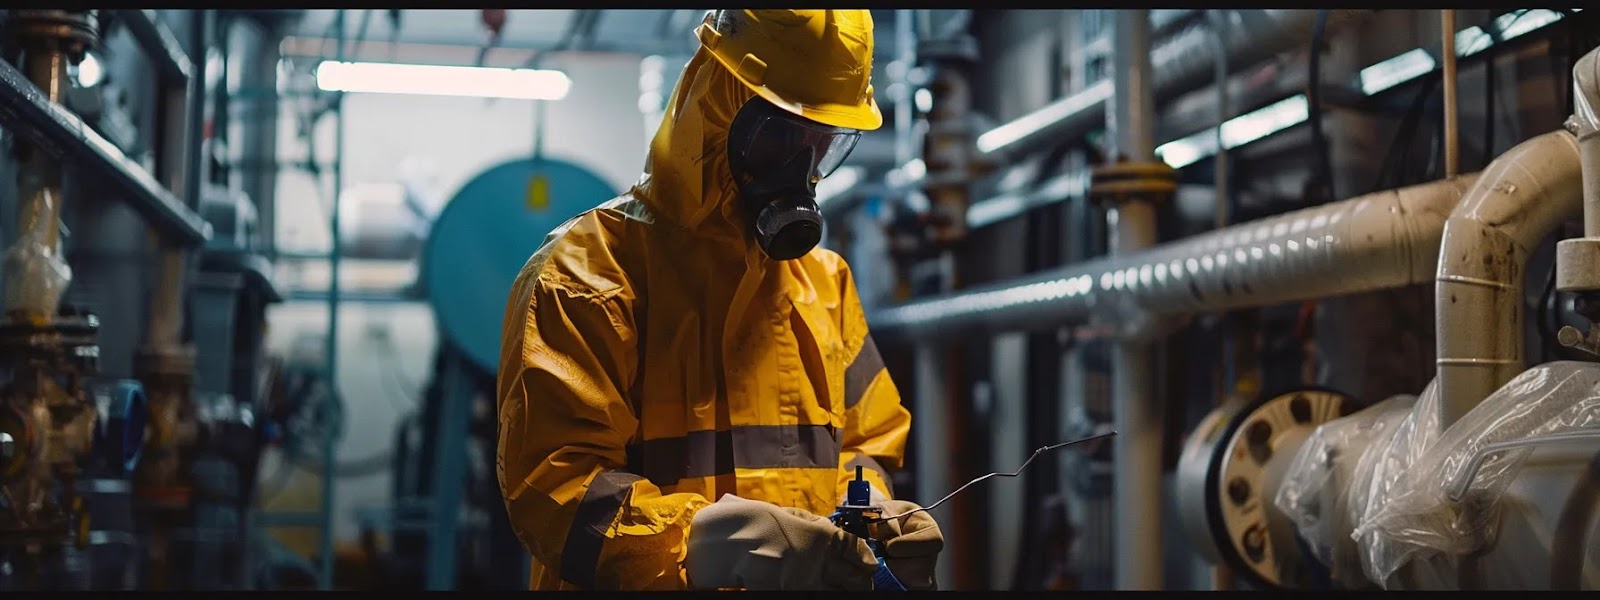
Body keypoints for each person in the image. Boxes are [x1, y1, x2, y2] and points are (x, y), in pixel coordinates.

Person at [494, 9, 944, 591]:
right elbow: (554, 496)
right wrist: (708, 547)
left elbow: (867, 442)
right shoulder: (584, 278)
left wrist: (874, 512)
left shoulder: (825, 284)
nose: (801, 169)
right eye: (782, 132)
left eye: (822, 143)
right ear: (719, 103)